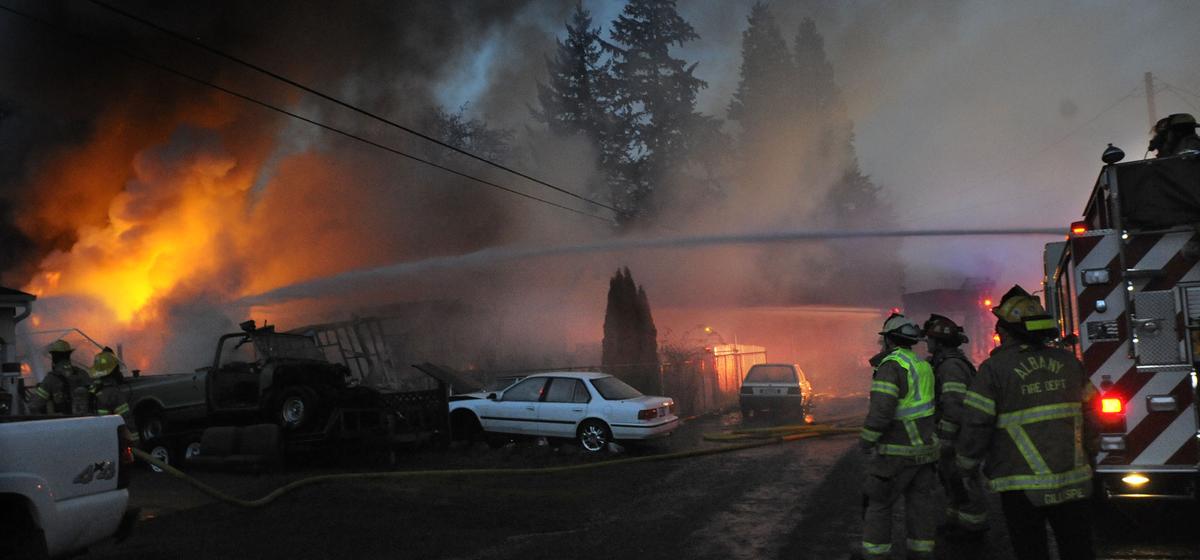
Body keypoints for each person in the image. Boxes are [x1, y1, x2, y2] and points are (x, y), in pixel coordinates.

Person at [956, 286, 1099, 560]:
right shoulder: (1069, 362)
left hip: (1020, 485)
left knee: (1031, 549)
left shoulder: (994, 370)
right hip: (1073, 478)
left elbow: (976, 423)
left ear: (1008, 332)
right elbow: (1093, 414)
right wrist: (1090, 452)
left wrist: (966, 463)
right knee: (1078, 548)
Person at [859, 313, 939, 559]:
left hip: (897, 452)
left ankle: (876, 555)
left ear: (890, 340)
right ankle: (921, 553)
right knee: (920, 507)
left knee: (880, 504)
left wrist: (867, 440)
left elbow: (882, 412)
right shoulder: (922, 365)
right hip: (925, 451)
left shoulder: (891, 366)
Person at [923, 314, 988, 538]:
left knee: (963, 479)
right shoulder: (944, 363)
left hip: (960, 435)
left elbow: (955, 405)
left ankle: (973, 527)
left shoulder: (950, 366)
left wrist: (947, 438)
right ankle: (956, 520)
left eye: (930, 339)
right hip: (957, 433)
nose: (927, 343)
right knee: (951, 478)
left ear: (939, 342)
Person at [87, 349, 139, 443]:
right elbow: (126, 419)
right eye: (117, 369)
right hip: (111, 439)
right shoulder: (113, 394)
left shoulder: (92, 389)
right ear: (113, 371)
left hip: (95, 438)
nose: (119, 372)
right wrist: (135, 441)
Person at [27, 339, 90, 414]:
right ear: (69, 355)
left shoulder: (51, 379)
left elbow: (34, 405)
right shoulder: (82, 373)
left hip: (62, 422)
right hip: (85, 420)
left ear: (54, 357)